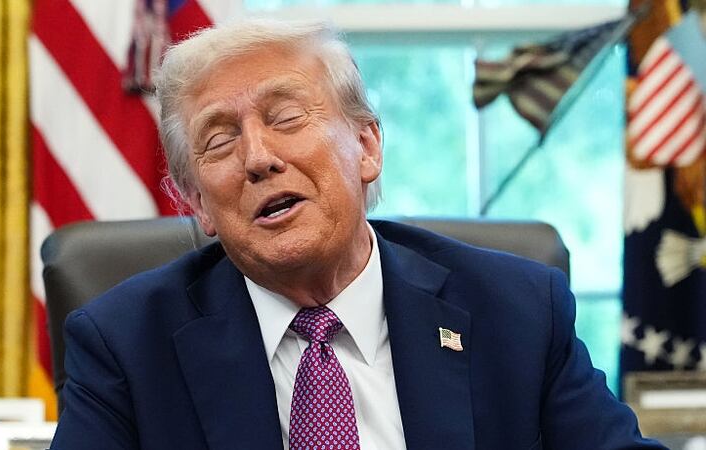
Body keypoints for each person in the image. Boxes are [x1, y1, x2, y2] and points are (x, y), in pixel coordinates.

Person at [50, 19, 665, 450]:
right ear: (198, 206)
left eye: (286, 117)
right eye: (219, 141)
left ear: (366, 147)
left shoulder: (518, 312)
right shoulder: (126, 346)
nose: (258, 157)